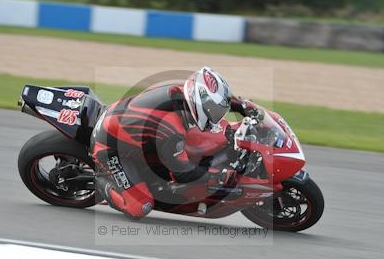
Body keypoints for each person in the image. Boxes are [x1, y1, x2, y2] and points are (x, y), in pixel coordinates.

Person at [91, 66, 260, 219]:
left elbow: (219, 100)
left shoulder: (182, 93)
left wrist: (242, 106)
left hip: (125, 127)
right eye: (214, 111)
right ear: (199, 103)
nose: (217, 116)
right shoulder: (171, 130)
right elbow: (182, 173)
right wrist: (218, 175)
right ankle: (101, 183)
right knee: (140, 206)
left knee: (207, 139)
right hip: (109, 146)